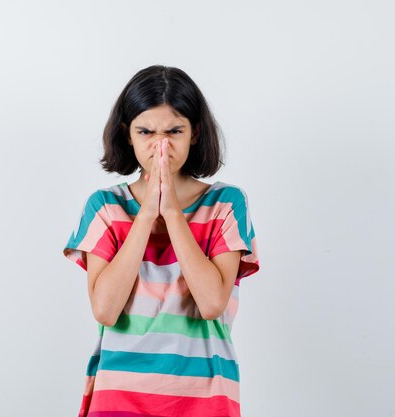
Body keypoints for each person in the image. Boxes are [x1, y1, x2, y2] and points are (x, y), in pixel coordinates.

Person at [62, 64, 261, 417]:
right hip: (119, 396)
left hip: (204, 397)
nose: (160, 145)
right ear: (128, 135)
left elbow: (212, 302)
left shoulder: (226, 203)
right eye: (146, 132)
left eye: (174, 131)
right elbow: (105, 310)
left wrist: (171, 213)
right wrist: (145, 215)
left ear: (195, 133)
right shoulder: (105, 207)